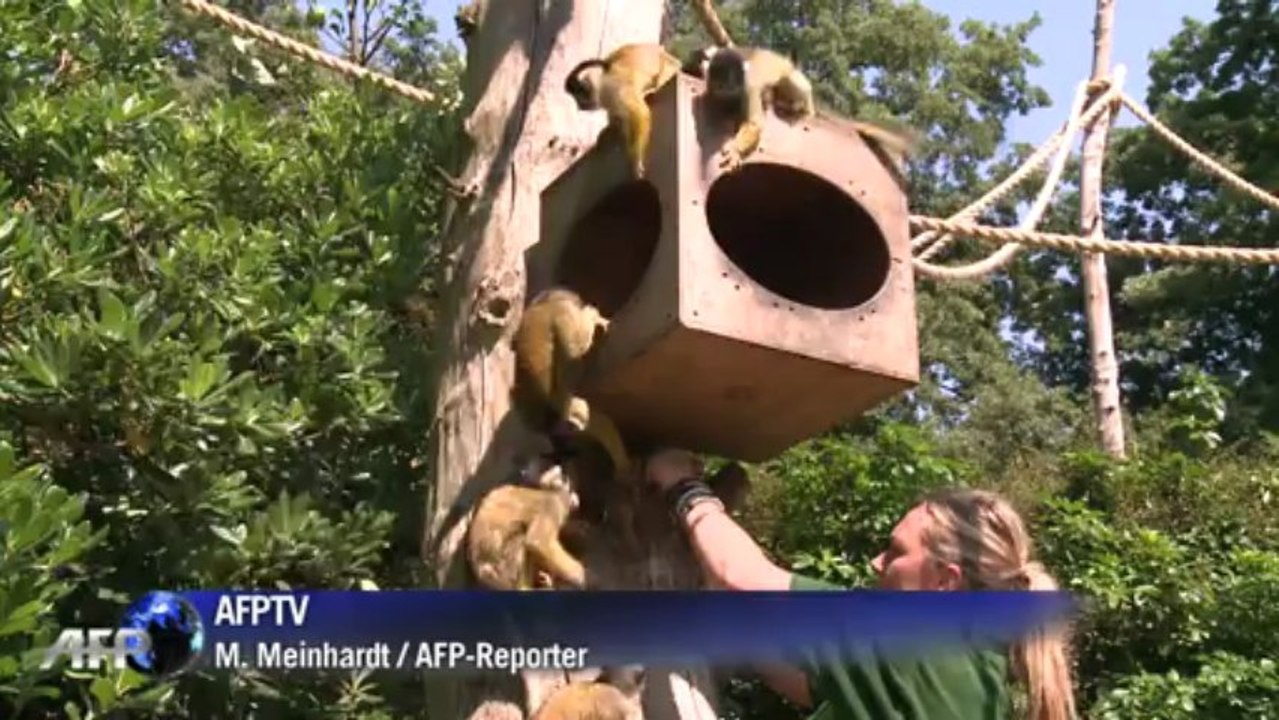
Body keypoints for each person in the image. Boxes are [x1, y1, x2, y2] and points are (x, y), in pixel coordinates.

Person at [642, 448, 1077, 720]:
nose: (876, 562)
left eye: (896, 551)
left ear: (945, 581)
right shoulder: (967, 672)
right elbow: (808, 684)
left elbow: (745, 577)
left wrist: (684, 486)